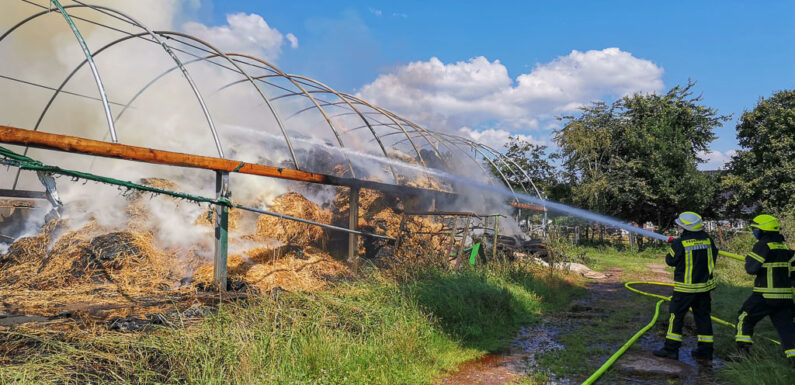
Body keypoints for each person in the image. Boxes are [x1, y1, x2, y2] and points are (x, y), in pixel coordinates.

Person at [653, 212, 718, 361]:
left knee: (676, 317)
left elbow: (670, 261)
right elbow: (712, 256)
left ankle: (671, 349)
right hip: (703, 289)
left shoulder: (680, 243)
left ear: (685, 227)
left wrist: (675, 245)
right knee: (703, 318)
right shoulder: (708, 240)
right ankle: (705, 351)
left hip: (685, 289)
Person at [734, 214, 795, 363]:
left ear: (763, 230)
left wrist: (750, 258)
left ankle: (743, 354)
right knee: (787, 329)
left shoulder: (763, 244)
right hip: (785, 297)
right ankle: (793, 359)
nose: (754, 232)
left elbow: (751, 268)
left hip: (765, 294)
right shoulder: (784, 246)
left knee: (744, 318)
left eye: (755, 229)